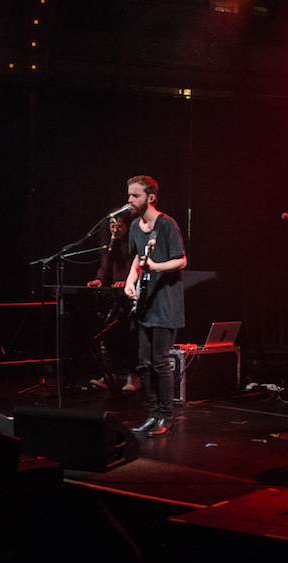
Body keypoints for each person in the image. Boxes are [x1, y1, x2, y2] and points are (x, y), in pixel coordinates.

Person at [123, 176, 187, 437]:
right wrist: (130, 281)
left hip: (166, 302)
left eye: (135, 196)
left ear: (150, 197)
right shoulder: (136, 227)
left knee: (160, 362)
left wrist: (156, 267)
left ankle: (165, 417)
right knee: (143, 363)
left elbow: (181, 260)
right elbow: (138, 258)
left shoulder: (167, 224)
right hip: (146, 304)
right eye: (128, 195)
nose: (129, 200)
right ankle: (152, 415)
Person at [87, 211, 140, 393]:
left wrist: (128, 282)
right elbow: (105, 268)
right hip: (117, 298)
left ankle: (134, 377)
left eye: (119, 226)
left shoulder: (133, 245)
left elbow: (138, 266)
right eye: (112, 226)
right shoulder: (110, 245)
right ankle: (112, 375)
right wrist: (99, 279)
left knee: (131, 336)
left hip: (133, 296)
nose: (115, 230)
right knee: (109, 333)